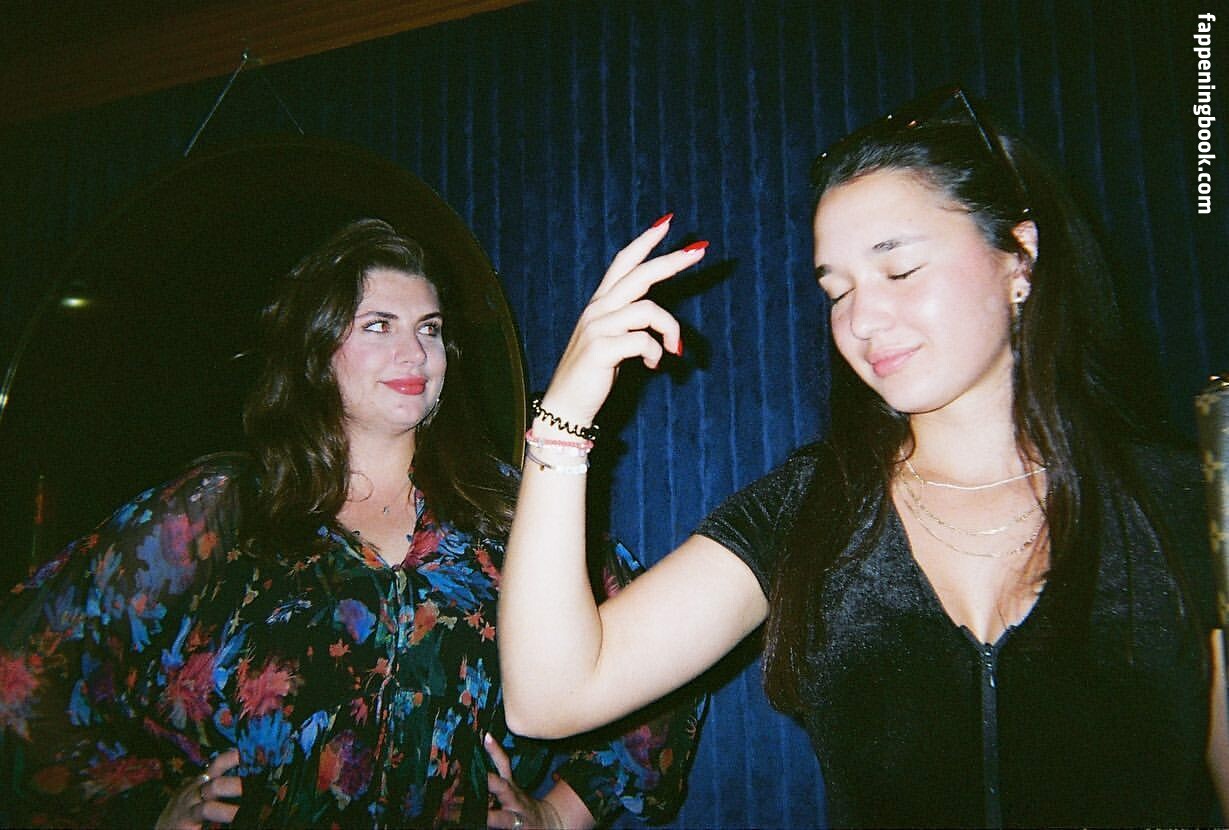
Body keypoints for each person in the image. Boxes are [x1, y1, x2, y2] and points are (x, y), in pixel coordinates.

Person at [498, 86, 1228, 827]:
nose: (861, 320)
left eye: (899, 270)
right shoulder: (810, 506)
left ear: (1020, 258)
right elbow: (550, 696)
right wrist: (566, 413)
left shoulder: (1190, 503)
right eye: (836, 291)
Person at [0, 219, 701, 828]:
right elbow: (25, 671)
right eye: (378, 326)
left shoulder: (510, 515)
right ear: (315, 349)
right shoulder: (223, 509)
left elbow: (653, 660)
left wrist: (555, 815)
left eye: (429, 329)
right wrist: (144, 810)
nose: (414, 353)